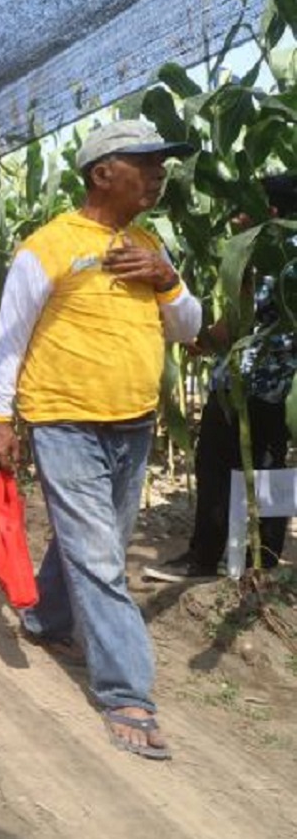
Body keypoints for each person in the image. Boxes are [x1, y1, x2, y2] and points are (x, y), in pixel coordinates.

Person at [0, 119, 201, 760]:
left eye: (162, 163)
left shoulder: (147, 244)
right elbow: (9, 340)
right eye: (147, 161)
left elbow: (187, 329)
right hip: (65, 421)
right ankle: (126, 692)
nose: (160, 174)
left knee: (96, 540)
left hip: (134, 421)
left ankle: (49, 619)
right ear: (103, 172)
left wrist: (167, 279)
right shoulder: (47, 247)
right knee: (103, 558)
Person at [144, 173, 297, 582]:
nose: (237, 216)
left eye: (245, 206)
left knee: (215, 465)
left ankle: (205, 560)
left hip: (243, 385)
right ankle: (263, 562)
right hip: (282, 389)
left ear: (272, 211)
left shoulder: (264, 258)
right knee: (272, 470)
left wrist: (201, 339)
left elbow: (235, 323)